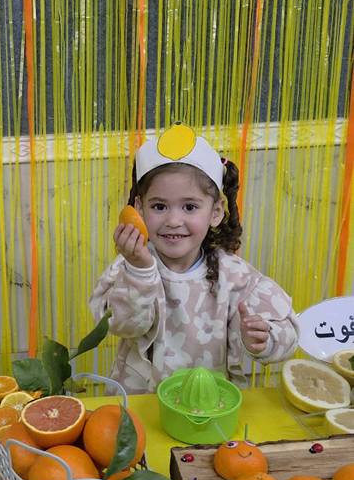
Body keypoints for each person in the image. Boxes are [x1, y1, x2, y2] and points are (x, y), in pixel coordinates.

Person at [90, 126, 298, 393]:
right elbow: (123, 325)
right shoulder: (129, 266)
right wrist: (139, 270)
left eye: (189, 207)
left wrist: (262, 340)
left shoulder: (234, 276)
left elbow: (289, 329)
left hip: (209, 405)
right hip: (141, 403)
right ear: (139, 208)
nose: (173, 220)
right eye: (159, 206)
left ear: (215, 212)